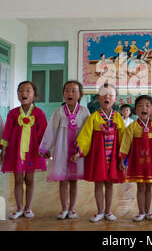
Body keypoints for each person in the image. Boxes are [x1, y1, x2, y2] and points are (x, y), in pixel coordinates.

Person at [72, 83, 125, 222]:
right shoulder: (93, 117)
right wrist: (79, 151)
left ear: (115, 98)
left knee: (109, 185)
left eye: (111, 94)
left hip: (112, 157)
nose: (107, 97)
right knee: (98, 184)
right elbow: (85, 136)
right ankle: (100, 211)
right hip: (99, 157)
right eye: (104, 94)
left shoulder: (118, 118)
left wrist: (122, 158)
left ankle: (108, 211)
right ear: (98, 98)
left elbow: (124, 139)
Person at [39, 81, 90, 219]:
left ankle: (72, 209)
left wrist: (84, 150)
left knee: (73, 181)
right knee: (63, 180)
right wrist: (45, 147)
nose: (70, 93)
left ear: (80, 94)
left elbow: (88, 132)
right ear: (63, 94)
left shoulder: (85, 112)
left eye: (74, 91)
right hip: (62, 150)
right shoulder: (59, 112)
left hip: (76, 152)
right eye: (67, 90)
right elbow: (51, 131)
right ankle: (64, 208)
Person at [119, 95, 152, 222]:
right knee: (140, 187)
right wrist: (122, 158)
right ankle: (141, 212)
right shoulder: (132, 127)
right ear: (136, 110)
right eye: (140, 105)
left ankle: (148, 211)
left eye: (147, 105)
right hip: (137, 162)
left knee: (149, 187)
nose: (144, 108)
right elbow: (125, 143)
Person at [0, 81, 47, 219]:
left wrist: (44, 148)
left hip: (32, 152)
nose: (23, 93)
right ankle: (19, 207)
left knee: (29, 180)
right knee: (18, 180)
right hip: (16, 152)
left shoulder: (39, 113)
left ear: (34, 95)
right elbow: (7, 132)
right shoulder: (13, 113)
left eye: (28, 90)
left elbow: (43, 133)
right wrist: (3, 149)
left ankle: (28, 208)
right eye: (20, 90)